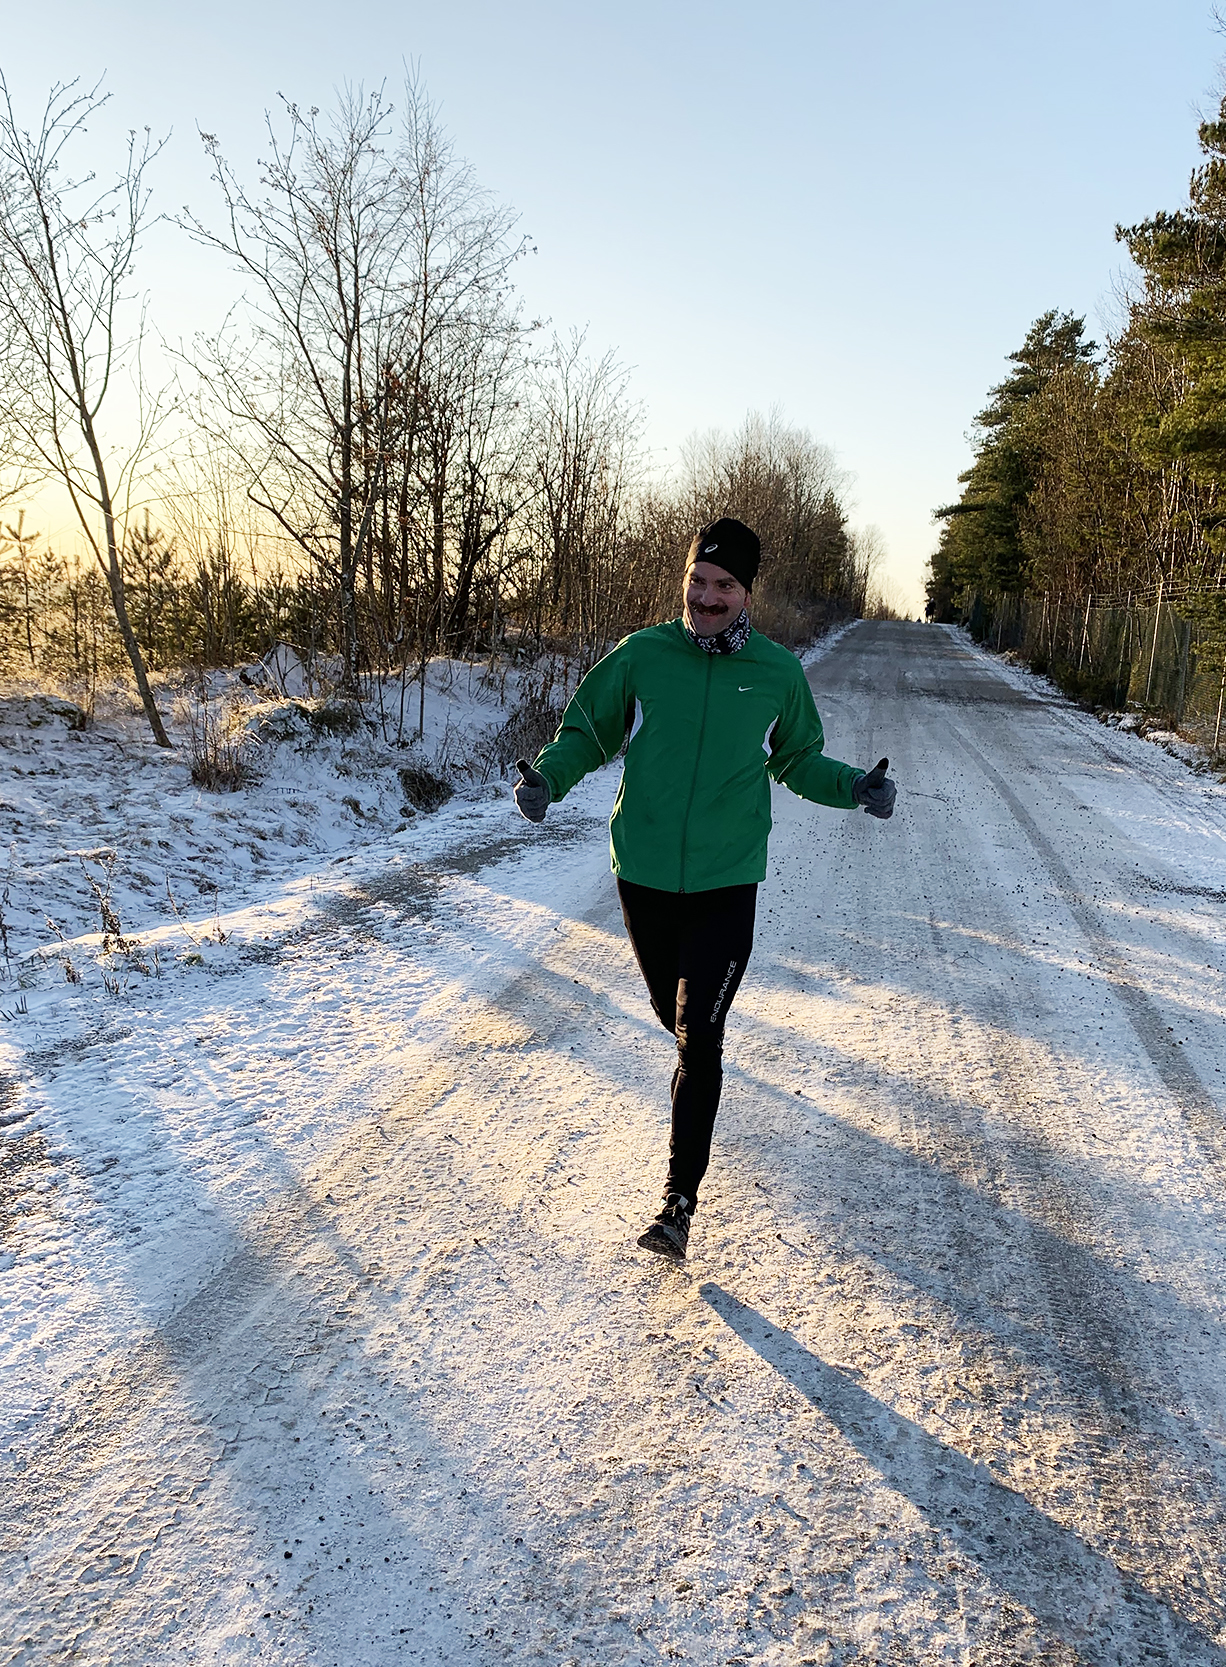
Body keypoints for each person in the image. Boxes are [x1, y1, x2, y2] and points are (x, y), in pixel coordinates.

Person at [513, 518, 896, 1260]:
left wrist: (855, 786)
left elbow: (798, 761)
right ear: (683, 579)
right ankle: (689, 1104)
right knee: (672, 1012)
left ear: (746, 592)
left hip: (726, 882)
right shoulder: (642, 657)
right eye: (698, 580)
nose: (707, 596)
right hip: (645, 874)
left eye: (723, 585)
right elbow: (588, 732)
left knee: (701, 1035)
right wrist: (548, 781)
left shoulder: (777, 673)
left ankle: (677, 1202)